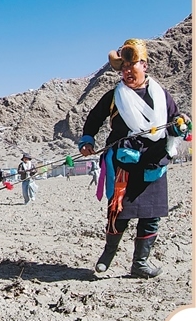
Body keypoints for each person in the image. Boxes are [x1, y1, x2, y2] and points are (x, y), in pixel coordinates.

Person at [78, 38, 191, 279]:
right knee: (119, 213)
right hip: (124, 164)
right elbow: (94, 119)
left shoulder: (161, 95)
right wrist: (87, 140)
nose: (127, 71)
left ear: (144, 65)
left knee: (151, 216)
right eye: (124, 68)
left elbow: (174, 120)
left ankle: (140, 263)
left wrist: (181, 125)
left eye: (132, 66)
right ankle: (108, 254)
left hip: (153, 163)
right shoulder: (114, 96)